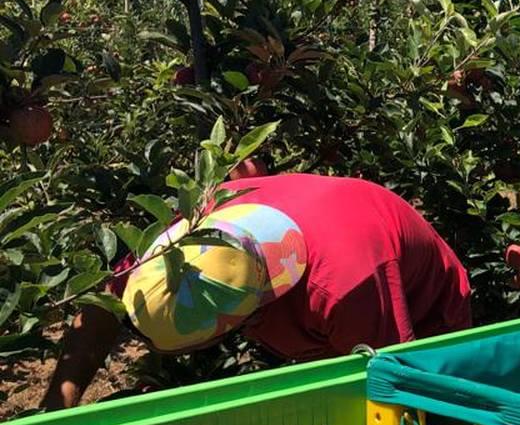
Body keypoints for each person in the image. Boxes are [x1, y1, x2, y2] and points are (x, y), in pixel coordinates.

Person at [41, 173, 472, 410]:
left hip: (424, 308)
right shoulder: (186, 241)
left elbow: (390, 390)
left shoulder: (344, 288)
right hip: (326, 284)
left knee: (426, 420)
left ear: (240, 324)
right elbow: (102, 308)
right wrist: (58, 405)